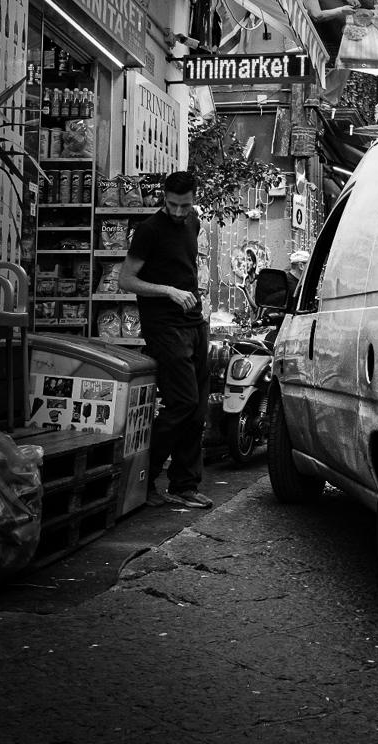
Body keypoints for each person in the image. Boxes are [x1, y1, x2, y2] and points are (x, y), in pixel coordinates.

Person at [118, 171, 213, 510]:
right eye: (172, 204)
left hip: (194, 323)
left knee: (197, 411)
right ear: (164, 196)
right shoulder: (150, 230)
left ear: (193, 199)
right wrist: (168, 291)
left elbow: (184, 268)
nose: (177, 211)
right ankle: (142, 480)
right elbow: (126, 280)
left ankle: (185, 485)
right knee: (182, 403)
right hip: (164, 326)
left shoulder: (193, 222)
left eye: (184, 205)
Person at [302, 0, 359, 65]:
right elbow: (317, 15)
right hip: (324, 43)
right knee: (328, 68)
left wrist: (354, 2)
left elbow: (349, 1)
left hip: (342, 38)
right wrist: (341, 10)